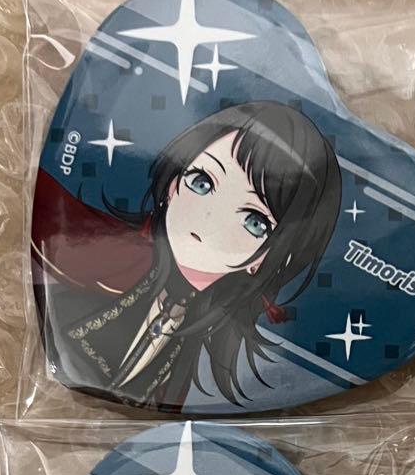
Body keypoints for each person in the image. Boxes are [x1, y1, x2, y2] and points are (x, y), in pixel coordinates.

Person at [31, 101, 342, 410]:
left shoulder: (204, 344)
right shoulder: (99, 257)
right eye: (202, 182)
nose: (209, 217)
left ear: (266, 258)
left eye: (254, 221)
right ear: (173, 184)